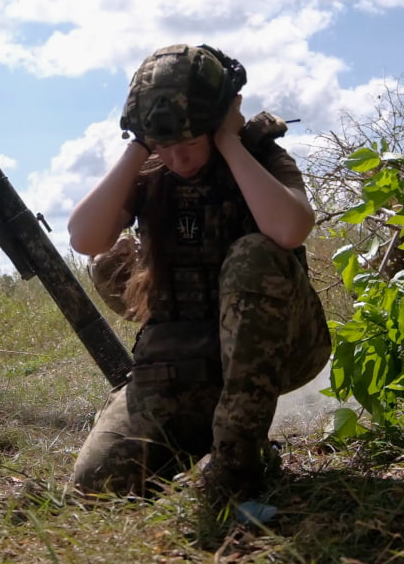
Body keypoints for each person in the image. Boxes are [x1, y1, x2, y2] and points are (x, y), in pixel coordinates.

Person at [67, 43, 331, 521]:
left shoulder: (259, 159)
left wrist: (229, 142)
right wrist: (138, 147)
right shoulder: (151, 170)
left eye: (189, 143)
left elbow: (290, 228)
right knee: (96, 489)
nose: (179, 159)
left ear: (217, 122)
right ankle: (201, 439)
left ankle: (237, 460)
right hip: (178, 364)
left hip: (276, 352)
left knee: (254, 255)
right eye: (164, 146)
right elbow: (84, 237)